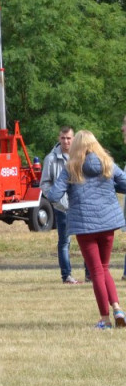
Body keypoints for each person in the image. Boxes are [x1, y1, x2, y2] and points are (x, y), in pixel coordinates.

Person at [44, 130, 126, 329]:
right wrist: (109, 186)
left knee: (97, 271)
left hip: (84, 225)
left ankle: (105, 319)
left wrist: (67, 198)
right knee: (104, 268)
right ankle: (117, 309)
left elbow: (54, 194)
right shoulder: (108, 163)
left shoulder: (71, 168)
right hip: (108, 224)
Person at [41, 126, 82, 284]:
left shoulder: (80, 157)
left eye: (69, 138)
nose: (66, 141)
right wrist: (56, 200)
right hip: (62, 208)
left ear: (74, 139)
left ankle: (90, 274)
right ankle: (67, 276)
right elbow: (45, 184)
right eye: (63, 138)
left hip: (79, 206)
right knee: (65, 242)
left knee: (86, 239)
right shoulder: (50, 159)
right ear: (59, 138)